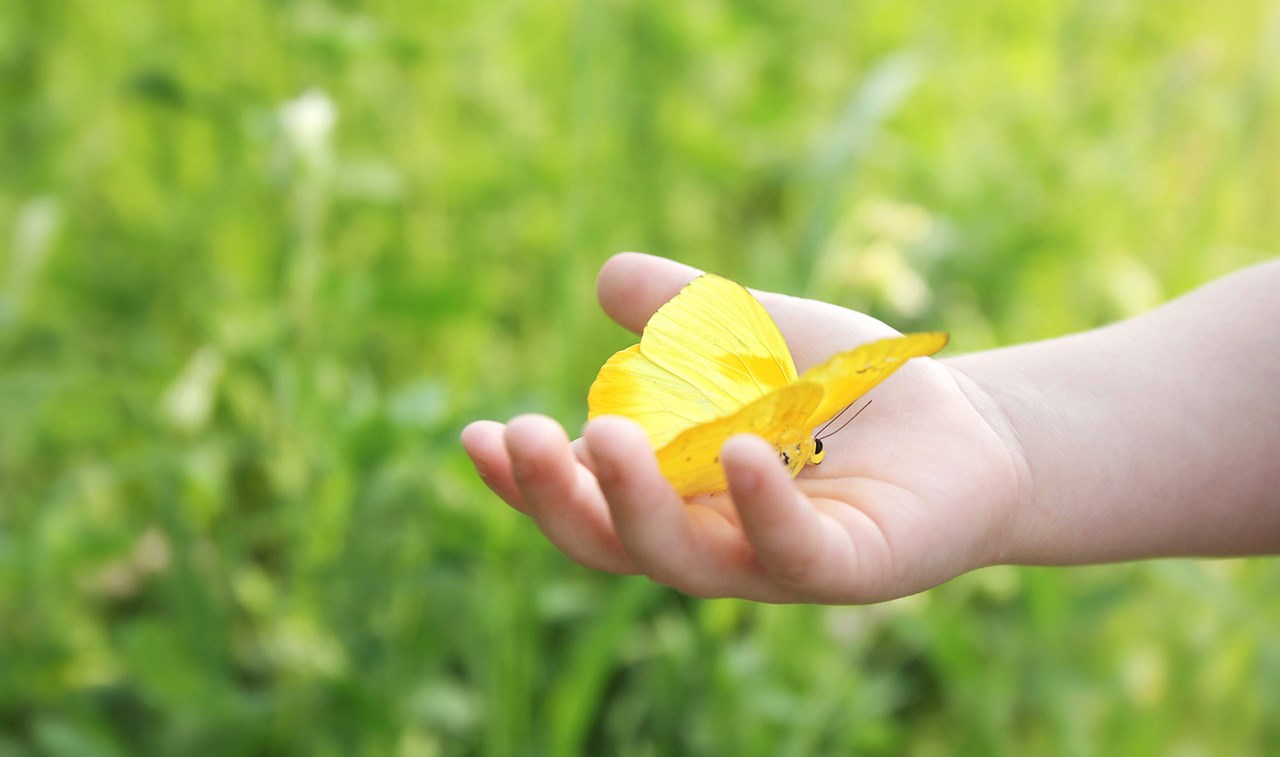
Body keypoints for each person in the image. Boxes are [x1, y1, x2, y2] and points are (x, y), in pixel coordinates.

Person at [460, 252, 1280, 604]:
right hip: (695, 441)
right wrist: (1011, 437)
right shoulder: (795, 423)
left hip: (686, 430)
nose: (813, 448)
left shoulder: (800, 423)